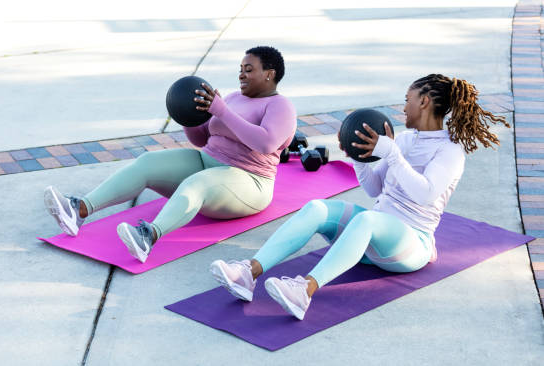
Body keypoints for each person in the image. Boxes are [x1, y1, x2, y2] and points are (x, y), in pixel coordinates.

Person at [210, 74, 510, 320]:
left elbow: (425, 193)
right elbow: (375, 190)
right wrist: (359, 159)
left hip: (410, 242)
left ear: (424, 101)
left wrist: (391, 153)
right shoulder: (404, 140)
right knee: (316, 207)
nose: (404, 107)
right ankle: (248, 273)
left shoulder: (450, 150)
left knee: (368, 219)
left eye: (407, 100)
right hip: (370, 237)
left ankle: (304, 291)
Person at [44, 46, 296, 263]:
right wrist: (189, 116)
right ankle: (79, 210)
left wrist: (222, 111)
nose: (241, 74)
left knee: (196, 183)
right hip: (207, 162)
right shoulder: (232, 97)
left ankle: (147, 237)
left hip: (248, 180)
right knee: (148, 163)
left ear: (269, 74)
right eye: (240, 68)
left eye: (249, 69)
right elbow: (202, 139)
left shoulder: (280, 106)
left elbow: (265, 143)